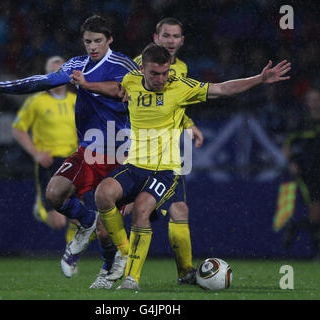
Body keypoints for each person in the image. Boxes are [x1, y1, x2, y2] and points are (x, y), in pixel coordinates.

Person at [78, 43, 291, 289]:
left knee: (143, 208)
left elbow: (222, 89)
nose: (161, 78)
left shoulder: (180, 86)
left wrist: (259, 79)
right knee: (103, 193)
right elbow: (115, 88)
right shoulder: (131, 81)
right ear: (143, 70)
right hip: (135, 165)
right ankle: (123, 252)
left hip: (165, 170)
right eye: (154, 73)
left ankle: (131, 279)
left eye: (165, 72)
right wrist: (86, 84)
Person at [0, 15, 139, 286]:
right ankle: (85, 221)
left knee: (106, 230)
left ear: (109, 40)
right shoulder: (76, 64)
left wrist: (85, 85)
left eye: (98, 41)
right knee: (54, 193)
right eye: (88, 41)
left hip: (120, 153)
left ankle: (108, 269)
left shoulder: (123, 64)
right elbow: (42, 81)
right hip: (88, 150)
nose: (92, 46)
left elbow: (122, 90)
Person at [133, 18, 203, 284]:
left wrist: (189, 123)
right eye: (166, 35)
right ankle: (117, 264)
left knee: (180, 209)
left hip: (169, 154)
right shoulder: (136, 65)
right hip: (138, 153)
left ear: (182, 40)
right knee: (123, 211)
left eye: (176, 36)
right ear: (155, 37)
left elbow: (172, 104)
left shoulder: (181, 68)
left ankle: (185, 272)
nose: (171, 41)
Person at [12, 56, 78, 243]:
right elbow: (18, 129)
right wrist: (36, 154)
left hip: (73, 161)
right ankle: (40, 210)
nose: (57, 76)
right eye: (53, 72)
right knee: (57, 221)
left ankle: (70, 254)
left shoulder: (77, 100)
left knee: (79, 213)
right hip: (49, 161)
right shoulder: (36, 101)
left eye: (60, 72)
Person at [282, 86, 320, 259]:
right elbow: (287, 144)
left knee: (317, 215)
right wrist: (291, 162)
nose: (315, 103)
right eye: (312, 100)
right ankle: (317, 252)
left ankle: (296, 226)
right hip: (309, 172)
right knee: (316, 211)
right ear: (307, 102)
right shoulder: (302, 122)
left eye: (317, 99)